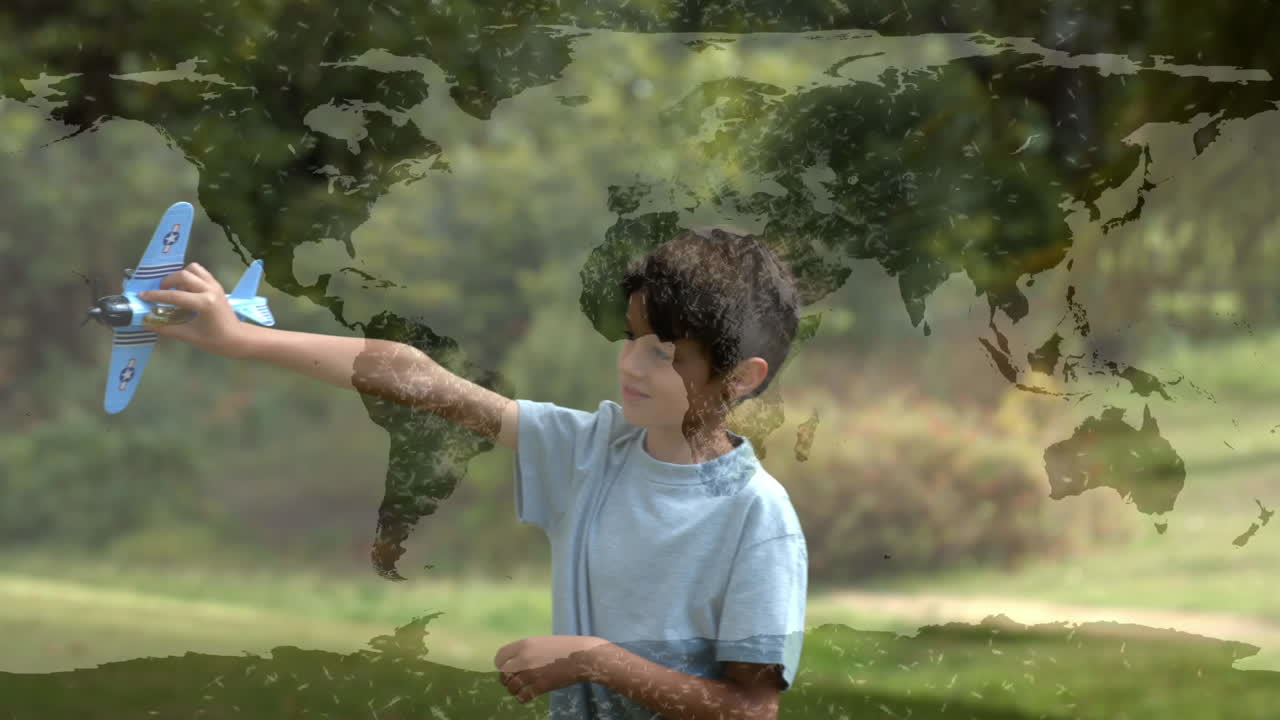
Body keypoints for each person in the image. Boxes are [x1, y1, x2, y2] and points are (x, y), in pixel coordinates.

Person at [140, 226, 808, 719]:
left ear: (741, 378)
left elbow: (750, 710)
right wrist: (243, 339)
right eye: (632, 340)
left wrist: (592, 659)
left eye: (664, 354)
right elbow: (419, 378)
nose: (632, 365)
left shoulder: (756, 518)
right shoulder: (591, 451)